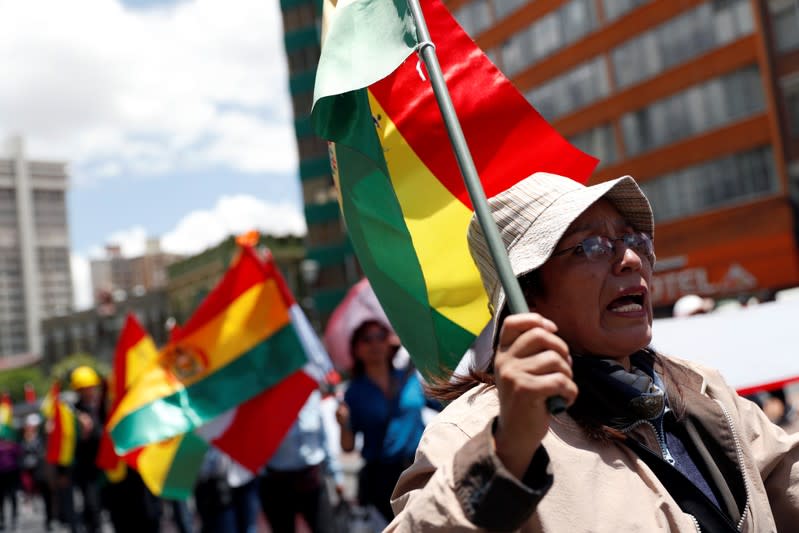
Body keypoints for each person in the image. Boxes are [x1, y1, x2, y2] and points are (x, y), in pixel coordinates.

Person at [387, 172, 799, 531]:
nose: (632, 259)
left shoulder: (701, 387)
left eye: (632, 239)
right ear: (528, 297)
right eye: (590, 247)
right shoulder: (472, 432)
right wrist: (506, 452)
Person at [335, 320, 438, 523]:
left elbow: (444, 405)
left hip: (422, 466)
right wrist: (343, 424)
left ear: (390, 343)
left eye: (381, 336)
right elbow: (347, 448)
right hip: (382, 479)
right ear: (356, 349)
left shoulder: (410, 378)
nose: (375, 343)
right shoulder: (354, 393)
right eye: (367, 339)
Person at [259, 389, 343, 533]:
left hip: (311, 479)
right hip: (278, 482)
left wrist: (336, 476)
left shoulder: (312, 395)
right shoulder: (265, 398)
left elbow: (324, 439)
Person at [70, 365, 105, 533]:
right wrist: (82, 433)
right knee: (92, 507)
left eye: (91, 387)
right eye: (84, 389)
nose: (89, 391)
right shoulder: (73, 412)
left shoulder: (100, 407)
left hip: (105, 465)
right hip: (86, 469)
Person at [19, 413, 53, 531]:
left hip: (41, 471)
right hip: (28, 471)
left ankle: (49, 519)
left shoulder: (42, 437)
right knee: (28, 489)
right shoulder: (23, 438)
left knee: (46, 495)